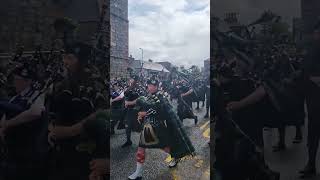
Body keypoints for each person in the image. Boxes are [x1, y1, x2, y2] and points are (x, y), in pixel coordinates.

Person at [48, 41, 109, 180]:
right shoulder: (62, 82)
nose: (65, 62)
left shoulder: (94, 80)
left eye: (70, 58)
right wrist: (51, 128)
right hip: (61, 149)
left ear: (80, 60)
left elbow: (103, 113)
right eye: (64, 57)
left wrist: (72, 130)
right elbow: (54, 108)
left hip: (85, 149)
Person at [128, 78, 195, 180]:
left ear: (156, 86)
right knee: (141, 148)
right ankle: (138, 173)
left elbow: (160, 112)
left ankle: (176, 155)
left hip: (158, 128)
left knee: (164, 147)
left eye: (152, 86)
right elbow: (147, 105)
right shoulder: (149, 95)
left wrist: (144, 113)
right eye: (149, 85)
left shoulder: (161, 96)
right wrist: (141, 113)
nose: (150, 87)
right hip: (148, 127)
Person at [0, 64, 48, 180]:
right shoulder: (15, 98)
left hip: (28, 153)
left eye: (18, 80)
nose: (15, 83)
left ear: (28, 81)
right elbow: (4, 119)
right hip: (12, 152)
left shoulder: (35, 95)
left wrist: (7, 124)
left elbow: (36, 112)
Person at [299, 21, 320, 178]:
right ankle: (311, 164)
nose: (316, 35)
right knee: (313, 134)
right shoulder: (311, 50)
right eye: (316, 32)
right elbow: (304, 71)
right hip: (313, 99)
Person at [121, 75, 144, 148]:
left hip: (137, 111)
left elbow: (141, 99)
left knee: (139, 128)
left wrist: (130, 103)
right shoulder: (130, 87)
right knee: (127, 126)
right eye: (130, 78)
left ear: (135, 80)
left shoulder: (140, 88)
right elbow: (125, 94)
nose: (130, 80)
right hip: (129, 111)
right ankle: (128, 141)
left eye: (132, 79)